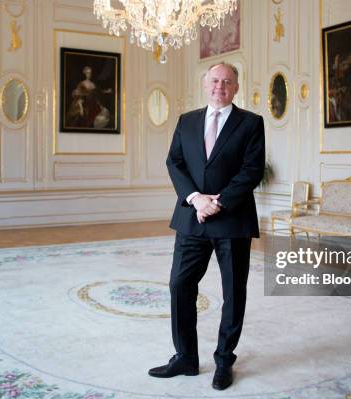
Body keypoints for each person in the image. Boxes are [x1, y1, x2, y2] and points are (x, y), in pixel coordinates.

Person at [149, 62, 265, 390]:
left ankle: (224, 361)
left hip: (233, 219)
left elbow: (252, 169)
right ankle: (185, 357)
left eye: (227, 82)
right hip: (191, 217)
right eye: (215, 80)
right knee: (179, 286)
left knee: (233, 294)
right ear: (204, 84)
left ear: (236, 88)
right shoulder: (187, 122)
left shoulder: (251, 123)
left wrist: (219, 202)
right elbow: (175, 162)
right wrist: (196, 198)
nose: (220, 86)